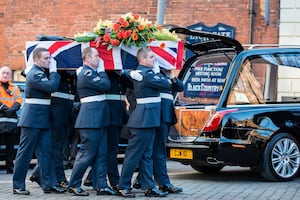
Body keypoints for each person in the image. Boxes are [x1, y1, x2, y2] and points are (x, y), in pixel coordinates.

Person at [117, 47, 171, 198]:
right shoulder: (145, 74)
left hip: (149, 119)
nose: (155, 60)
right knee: (133, 155)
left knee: (147, 155)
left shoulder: (144, 73)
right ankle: (123, 186)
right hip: (143, 120)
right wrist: (159, 74)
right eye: (152, 57)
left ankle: (149, 187)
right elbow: (166, 84)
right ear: (142, 60)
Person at [12, 47, 65, 195]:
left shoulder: (40, 72)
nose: (49, 61)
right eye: (46, 58)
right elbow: (51, 87)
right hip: (32, 119)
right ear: (36, 60)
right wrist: (54, 72)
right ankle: (18, 185)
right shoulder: (35, 73)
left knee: (46, 153)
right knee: (25, 153)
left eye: (50, 58)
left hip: (43, 119)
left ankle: (49, 184)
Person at [67, 47, 114, 196]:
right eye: (96, 56)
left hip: (99, 119)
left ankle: (102, 185)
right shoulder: (87, 73)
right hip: (90, 119)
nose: (99, 58)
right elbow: (106, 85)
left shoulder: (90, 72)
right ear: (87, 58)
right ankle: (74, 184)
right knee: (86, 154)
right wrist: (101, 71)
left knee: (101, 154)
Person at [83, 70, 132, 190]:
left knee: (110, 150)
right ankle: (112, 181)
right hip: (108, 114)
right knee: (106, 151)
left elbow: (132, 85)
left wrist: (123, 73)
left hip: (118, 114)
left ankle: (94, 178)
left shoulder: (121, 75)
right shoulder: (104, 74)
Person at [29, 70, 76, 188]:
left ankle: (38, 173)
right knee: (56, 147)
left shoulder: (69, 72)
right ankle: (59, 178)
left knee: (57, 147)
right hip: (57, 111)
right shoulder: (54, 70)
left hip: (66, 111)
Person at [0, 66, 22, 174]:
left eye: (7, 73)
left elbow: (19, 100)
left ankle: (10, 166)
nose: (5, 75)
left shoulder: (15, 87)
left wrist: (13, 108)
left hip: (11, 121)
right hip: (1, 120)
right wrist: (4, 108)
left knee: (11, 147)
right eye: (3, 73)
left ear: (10, 75)